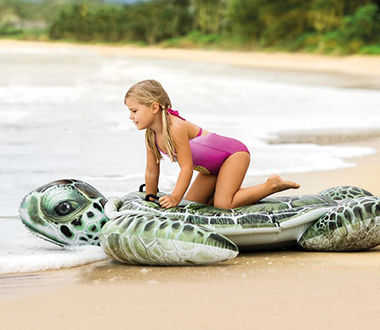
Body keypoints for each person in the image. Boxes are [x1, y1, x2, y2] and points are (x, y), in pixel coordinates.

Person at [125, 79, 300, 209]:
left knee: (223, 204)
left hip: (233, 156)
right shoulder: (151, 135)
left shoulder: (175, 127)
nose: (131, 116)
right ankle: (229, 189)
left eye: (134, 111)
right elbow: (151, 171)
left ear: (154, 108)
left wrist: (174, 198)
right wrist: (150, 196)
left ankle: (272, 184)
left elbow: (186, 169)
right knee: (193, 205)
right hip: (210, 170)